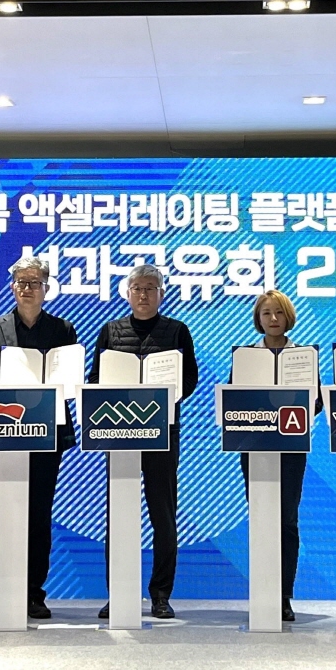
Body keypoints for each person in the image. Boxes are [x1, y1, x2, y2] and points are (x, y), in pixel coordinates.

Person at [0, 255, 78, 623]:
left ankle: (33, 594)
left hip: (47, 433)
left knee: (38, 517)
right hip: (3, 430)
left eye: (35, 283)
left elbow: (72, 381)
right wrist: (9, 390)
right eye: (22, 282)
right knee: (0, 516)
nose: (28, 288)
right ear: (13, 287)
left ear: (47, 288)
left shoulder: (63, 329)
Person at [90, 264, 200, 620]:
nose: (143, 294)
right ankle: (119, 594)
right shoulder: (110, 331)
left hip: (162, 432)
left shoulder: (177, 331)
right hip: (118, 433)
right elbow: (95, 378)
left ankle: (161, 595)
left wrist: (160, 400)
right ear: (127, 293)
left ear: (161, 294)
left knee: (163, 516)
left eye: (150, 288)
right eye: (137, 287)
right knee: (118, 516)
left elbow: (190, 378)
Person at [244, 289, 309, 622]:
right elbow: (232, 401)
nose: (273, 319)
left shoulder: (303, 356)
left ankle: (283, 595)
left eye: (279, 312)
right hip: (254, 448)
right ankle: (262, 591)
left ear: (288, 317)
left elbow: (316, 402)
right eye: (266, 313)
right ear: (258, 318)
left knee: (286, 520)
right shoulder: (245, 357)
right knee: (261, 518)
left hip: (291, 449)